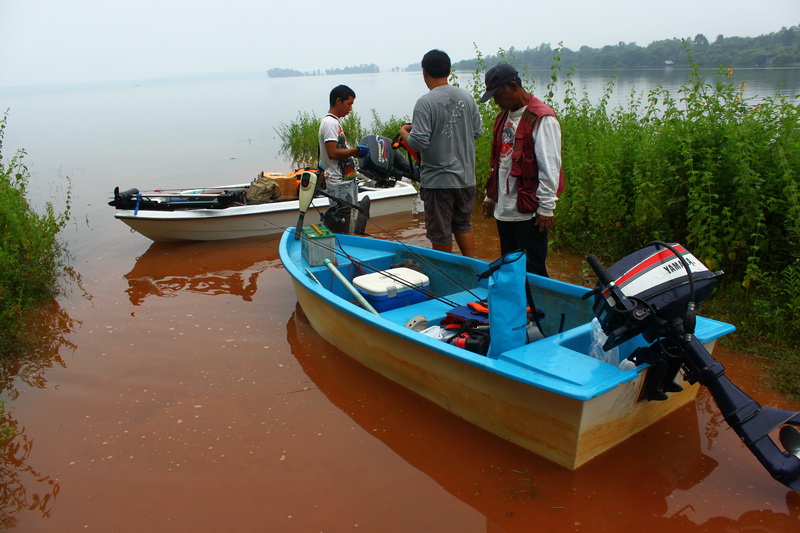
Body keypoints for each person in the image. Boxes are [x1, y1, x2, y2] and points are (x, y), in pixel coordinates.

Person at [479, 64, 564, 277]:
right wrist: (490, 198)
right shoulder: (503, 117)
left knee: (532, 270)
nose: (496, 102)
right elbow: (499, 162)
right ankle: (516, 309)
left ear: (513, 86)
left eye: (498, 95)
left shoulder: (541, 119)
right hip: (504, 211)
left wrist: (546, 208)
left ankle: (537, 310)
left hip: (529, 214)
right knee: (508, 268)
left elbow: (549, 167)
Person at [399, 49, 482, 257]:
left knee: (440, 233)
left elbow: (418, 142)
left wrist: (403, 133)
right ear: (449, 71)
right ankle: (471, 270)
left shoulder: (425, 102)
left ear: (424, 72)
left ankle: (447, 278)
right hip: (466, 179)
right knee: (463, 224)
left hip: (439, 182)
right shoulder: (466, 97)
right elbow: (477, 131)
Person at [318, 84, 368, 233]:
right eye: (349, 104)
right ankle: (342, 254)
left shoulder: (335, 122)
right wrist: (355, 151)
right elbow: (332, 153)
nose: (350, 109)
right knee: (342, 227)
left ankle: (346, 253)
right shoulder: (329, 123)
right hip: (339, 184)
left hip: (346, 181)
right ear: (338, 101)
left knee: (349, 223)